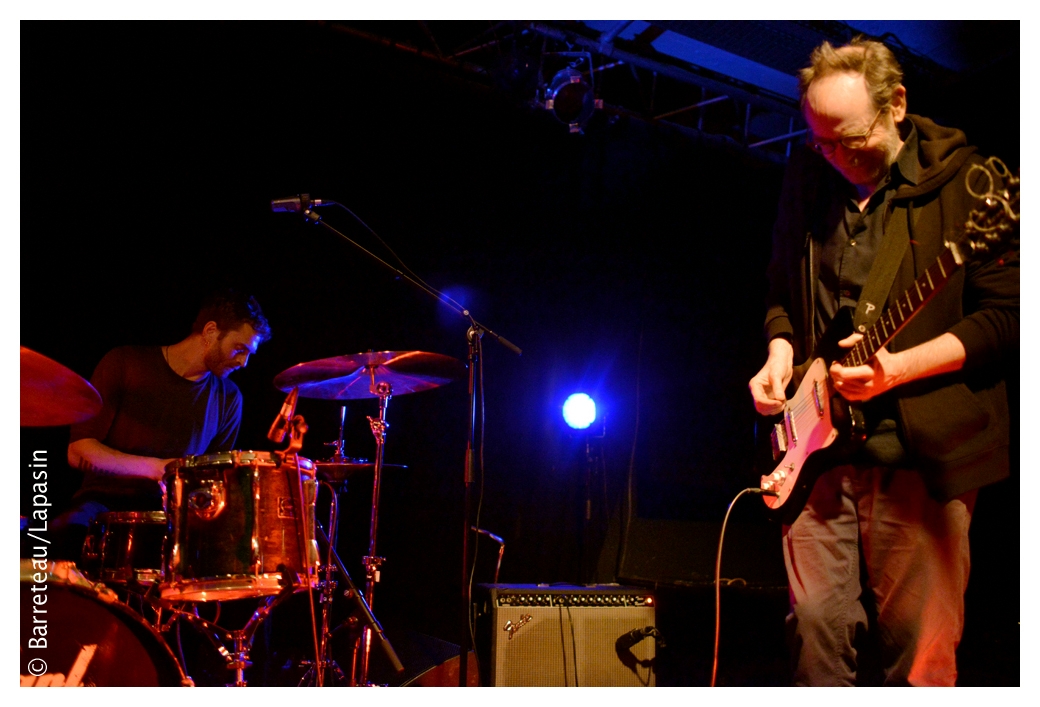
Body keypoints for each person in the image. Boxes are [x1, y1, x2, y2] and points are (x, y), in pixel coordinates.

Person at [748, 38, 1018, 686]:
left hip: (921, 453)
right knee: (813, 632)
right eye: (823, 142)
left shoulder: (965, 181)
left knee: (921, 653)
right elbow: (783, 289)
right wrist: (780, 351)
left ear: (896, 104)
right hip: (817, 448)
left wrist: (898, 369)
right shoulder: (809, 176)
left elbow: (1006, 318)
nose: (837, 158)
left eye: (851, 140)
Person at [51, 289, 272, 561]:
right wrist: (157, 468)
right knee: (58, 541)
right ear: (211, 331)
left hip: (171, 519)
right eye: (240, 349)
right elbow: (79, 451)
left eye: (249, 354)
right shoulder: (125, 363)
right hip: (101, 506)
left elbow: (213, 479)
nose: (244, 362)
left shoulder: (229, 398)